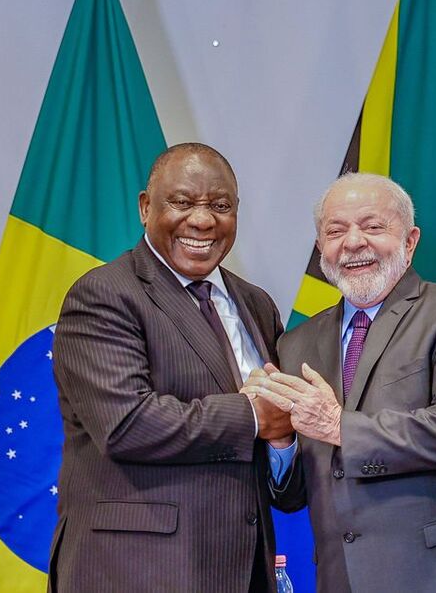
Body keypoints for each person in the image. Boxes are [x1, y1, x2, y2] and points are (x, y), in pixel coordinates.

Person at [249, 172, 436, 593]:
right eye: (335, 231)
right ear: (320, 249)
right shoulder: (296, 344)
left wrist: (336, 425)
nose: (352, 242)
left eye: (372, 226)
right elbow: (295, 495)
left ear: (410, 240)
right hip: (343, 578)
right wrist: (281, 442)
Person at [49, 143, 295, 592]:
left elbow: (277, 431)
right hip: (135, 571)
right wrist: (255, 416)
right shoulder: (104, 295)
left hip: (242, 571)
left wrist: (283, 439)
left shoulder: (256, 304)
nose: (202, 220)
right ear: (146, 207)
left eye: (220, 206)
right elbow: (125, 424)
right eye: (182, 202)